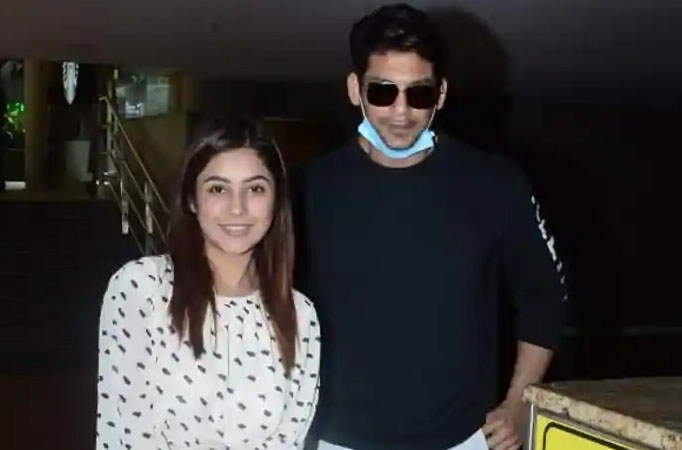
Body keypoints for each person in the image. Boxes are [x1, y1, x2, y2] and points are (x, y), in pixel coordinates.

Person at [294, 4, 566, 450]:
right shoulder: (307, 190)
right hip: (335, 438)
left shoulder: (494, 184)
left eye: (418, 94)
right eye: (383, 92)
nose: (401, 112)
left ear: (440, 94)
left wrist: (519, 402)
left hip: (463, 438)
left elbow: (544, 298)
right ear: (355, 89)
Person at [96, 117, 321, 450]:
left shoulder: (300, 315)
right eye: (218, 188)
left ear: (276, 200)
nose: (237, 207)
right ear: (192, 199)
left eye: (255, 188)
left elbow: (289, 440)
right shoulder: (142, 288)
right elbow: (124, 435)